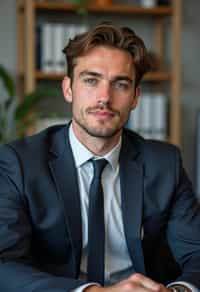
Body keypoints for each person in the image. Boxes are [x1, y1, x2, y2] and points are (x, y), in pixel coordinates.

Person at [0, 22, 199, 292]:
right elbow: (5, 263)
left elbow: (196, 254)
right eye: (91, 80)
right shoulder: (19, 163)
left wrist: (178, 291)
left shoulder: (165, 164)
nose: (105, 97)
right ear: (68, 89)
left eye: (121, 84)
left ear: (135, 97)